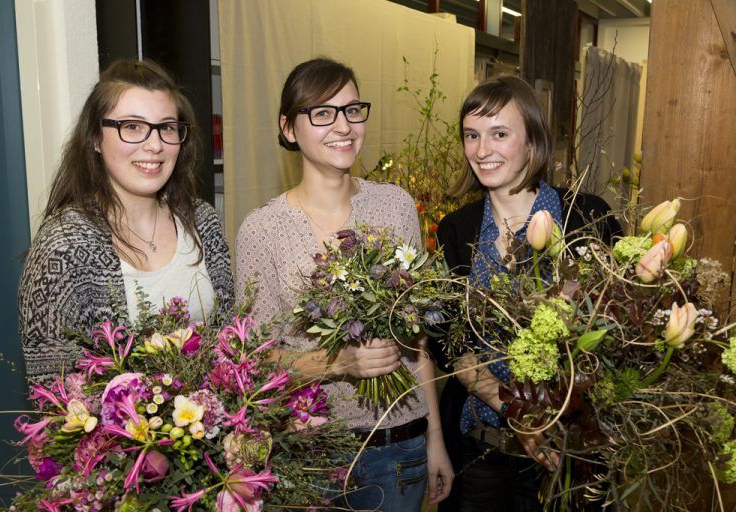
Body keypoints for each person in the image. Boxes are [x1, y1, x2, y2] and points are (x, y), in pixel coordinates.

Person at [235, 57, 453, 510]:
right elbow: (256, 362)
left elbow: (416, 340)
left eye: (353, 110)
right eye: (322, 112)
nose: (343, 125)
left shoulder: (395, 206)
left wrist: (435, 437)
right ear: (288, 128)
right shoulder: (262, 229)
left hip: (400, 446)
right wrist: (340, 362)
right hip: (314, 455)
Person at [434, 75, 622, 511]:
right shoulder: (457, 230)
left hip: (570, 453)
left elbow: (617, 335)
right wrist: (516, 412)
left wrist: (557, 416)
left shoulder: (586, 217)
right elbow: (453, 345)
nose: (482, 151)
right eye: (471, 136)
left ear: (532, 138)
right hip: (482, 453)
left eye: (500, 133)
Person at [19, 59, 234, 385]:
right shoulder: (63, 248)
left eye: (166, 127)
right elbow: (56, 399)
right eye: (132, 126)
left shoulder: (201, 220)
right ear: (95, 139)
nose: (155, 145)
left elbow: (233, 345)